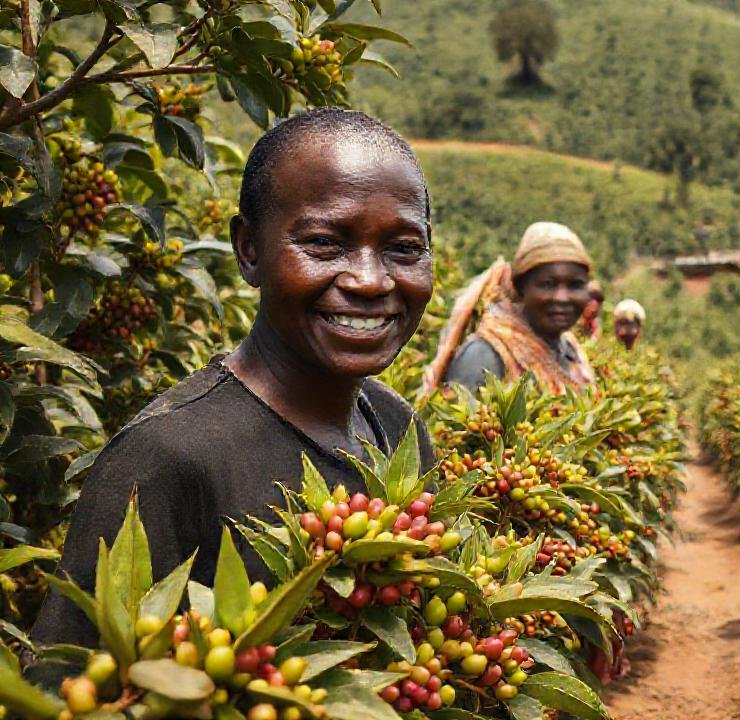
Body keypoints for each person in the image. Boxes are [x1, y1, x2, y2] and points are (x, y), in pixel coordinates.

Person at [33, 108, 436, 646]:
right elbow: (72, 677)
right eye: (324, 243)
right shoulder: (166, 459)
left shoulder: (397, 427)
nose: (370, 280)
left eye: (404, 248)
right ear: (249, 250)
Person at [425, 222, 595, 394]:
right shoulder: (485, 355)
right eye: (547, 284)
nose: (562, 298)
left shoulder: (571, 351)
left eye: (575, 285)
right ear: (520, 289)